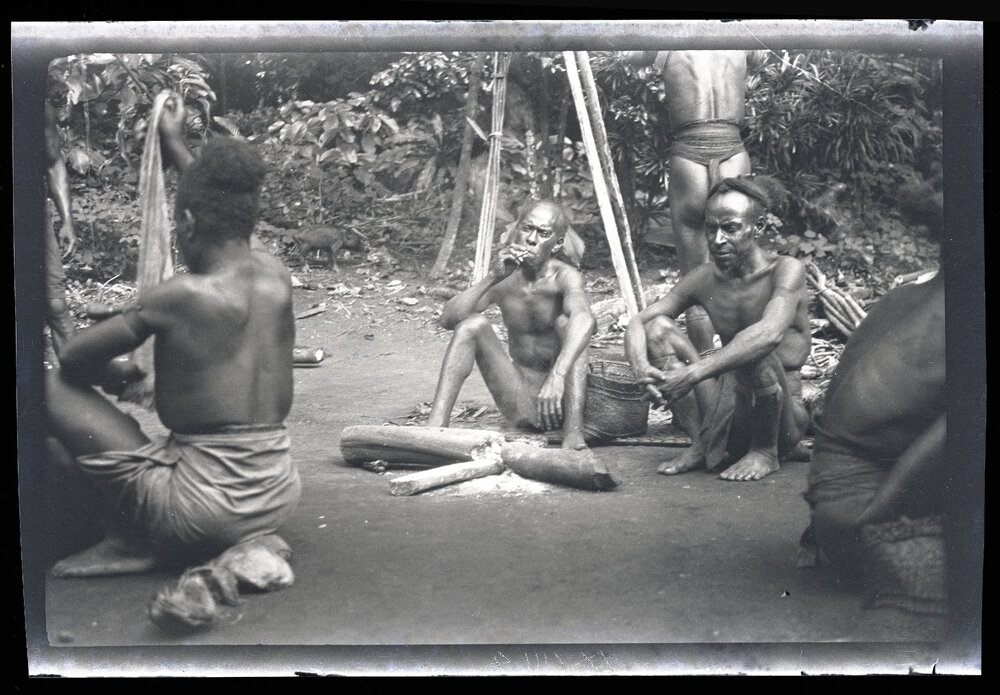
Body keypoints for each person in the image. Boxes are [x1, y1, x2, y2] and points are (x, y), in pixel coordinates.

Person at [44, 94, 301, 577]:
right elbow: (219, 206)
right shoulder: (275, 275)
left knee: (45, 386)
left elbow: (74, 360)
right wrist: (174, 141)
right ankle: (247, 537)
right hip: (275, 495)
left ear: (185, 224)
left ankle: (129, 539)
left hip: (200, 511)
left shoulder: (178, 296)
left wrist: (122, 370)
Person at [625, 174, 810, 481]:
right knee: (657, 328)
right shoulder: (705, 277)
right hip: (727, 410)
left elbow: (770, 334)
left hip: (783, 420)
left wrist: (693, 373)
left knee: (753, 341)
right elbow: (638, 322)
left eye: (731, 227)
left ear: (759, 227)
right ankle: (703, 443)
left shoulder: (787, 270)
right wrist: (641, 368)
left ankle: (765, 453)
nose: (718, 239)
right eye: (711, 228)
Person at [802, 269, 945, 581]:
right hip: (867, 525)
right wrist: (873, 520)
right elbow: (950, 437)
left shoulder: (902, 296)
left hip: (832, 503)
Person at [427, 200, 596, 450]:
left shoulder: (565, 277)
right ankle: (435, 427)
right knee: (472, 324)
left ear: (557, 244)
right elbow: (448, 319)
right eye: (527, 228)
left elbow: (586, 319)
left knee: (568, 324)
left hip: (561, 399)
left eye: (543, 233)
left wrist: (557, 377)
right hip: (519, 399)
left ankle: (574, 435)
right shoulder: (505, 278)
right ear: (516, 231)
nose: (531, 239)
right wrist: (492, 277)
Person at [623, 50, 754, 354]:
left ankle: (707, 369)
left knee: (695, 276)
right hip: (733, 151)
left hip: (689, 155)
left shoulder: (668, 35)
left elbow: (629, 57)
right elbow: (758, 58)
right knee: (739, 270)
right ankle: (739, 365)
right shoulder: (741, 33)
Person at [44, 101, 79, 355]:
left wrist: (67, 220)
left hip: (30, 213)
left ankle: (79, 386)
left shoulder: (37, 106)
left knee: (55, 304)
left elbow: (53, 162)